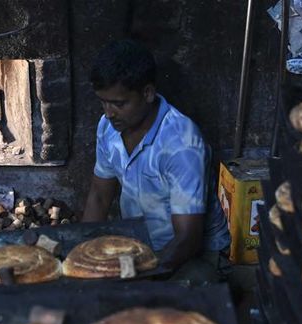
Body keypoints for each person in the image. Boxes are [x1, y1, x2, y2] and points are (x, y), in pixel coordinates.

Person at [81, 39, 231, 283]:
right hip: (140, 247)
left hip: (194, 254)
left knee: (192, 287)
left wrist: (139, 277)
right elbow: (99, 195)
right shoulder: (107, 127)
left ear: (148, 93)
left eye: (119, 103)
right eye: (103, 101)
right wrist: (83, 259)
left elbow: (188, 239)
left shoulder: (181, 144)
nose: (108, 112)